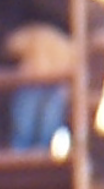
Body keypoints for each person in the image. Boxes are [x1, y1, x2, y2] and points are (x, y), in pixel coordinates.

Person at [4, 18, 72, 154]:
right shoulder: (65, 44)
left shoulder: (28, 36)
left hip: (39, 84)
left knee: (27, 117)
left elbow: (12, 46)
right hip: (53, 84)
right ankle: (41, 150)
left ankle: (21, 150)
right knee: (48, 118)